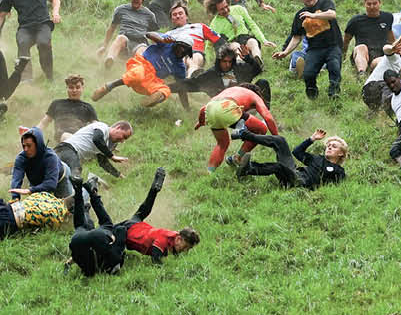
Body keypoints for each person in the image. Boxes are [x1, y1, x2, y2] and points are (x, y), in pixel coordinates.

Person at [66, 168, 199, 276]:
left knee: (143, 210)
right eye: (186, 247)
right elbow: (156, 258)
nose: (185, 251)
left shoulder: (174, 235)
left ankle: (154, 189)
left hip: (139, 226)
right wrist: (167, 272)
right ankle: (89, 201)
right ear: (179, 239)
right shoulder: (163, 240)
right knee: (104, 226)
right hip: (128, 231)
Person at [272, 0, 342, 99]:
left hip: (332, 45)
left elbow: (332, 14)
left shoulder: (325, 2)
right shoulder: (300, 15)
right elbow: (296, 37)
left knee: (334, 68)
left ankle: (334, 94)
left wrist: (313, 15)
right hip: (314, 49)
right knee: (308, 74)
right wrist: (285, 52)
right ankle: (313, 96)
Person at [91, 32, 194, 107]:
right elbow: (148, 34)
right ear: (177, 44)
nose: (182, 50)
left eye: (185, 50)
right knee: (138, 74)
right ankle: (109, 86)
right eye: (181, 47)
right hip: (142, 64)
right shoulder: (167, 42)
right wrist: (161, 40)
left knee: (165, 90)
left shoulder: (180, 67)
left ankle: (150, 102)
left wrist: (187, 109)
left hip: (152, 80)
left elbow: (181, 88)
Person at [192, 85, 280, 173]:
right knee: (261, 129)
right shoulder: (254, 95)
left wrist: (200, 122)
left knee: (222, 144)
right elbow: (268, 118)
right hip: (228, 107)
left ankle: (210, 172)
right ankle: (238, 153)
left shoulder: (231, 90)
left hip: (210, 109)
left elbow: (203, 109)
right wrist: (278, 140)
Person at [225, 128, 346, 190]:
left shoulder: (338, 170)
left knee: (278, 167)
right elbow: (297, 152)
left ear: (341, 153)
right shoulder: (316, 159)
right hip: (294, 173)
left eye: (334, 146)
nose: (329, 147)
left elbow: (339, 188)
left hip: (300, 183)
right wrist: (312, 139)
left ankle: (248, 169)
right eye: (328, 145)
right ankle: (244, 134)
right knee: (280, 141)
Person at [342, 0, 399, 77]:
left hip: (379, 55)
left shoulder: (388, 17)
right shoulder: (355, 20)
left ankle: (374, 71)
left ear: (380, 3)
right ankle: (361, 73)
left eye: (374, 3)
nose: (372, 6)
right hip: (362, 54)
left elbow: (390, 37)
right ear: (364, 4)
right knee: (361, 47)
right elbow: (346, 41)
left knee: (381, 60)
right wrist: (343, 57)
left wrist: (397, 51)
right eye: (369, 4)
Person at [100, 0, 159, 67]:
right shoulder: (121, 10)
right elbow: (111, 28)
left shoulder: (149, 15)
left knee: (142, 49)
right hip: (124, 42)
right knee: (120, 37)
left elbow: (154, 35)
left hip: (140, 43)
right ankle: (110, 59)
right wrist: (104, 46)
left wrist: (157, 52)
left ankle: (136, 69)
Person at [54, 121, 133, 179]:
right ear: (118, 128)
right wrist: (112, 156)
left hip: (67, 152)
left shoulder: (104, 143)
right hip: (66, 149)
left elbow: (103, 162)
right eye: (124, 136)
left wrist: (119, 175)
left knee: (57, 176)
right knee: (75, 176)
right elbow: (97, 139)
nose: (122, 141)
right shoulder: (102, 127)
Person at [205, 0, 269, 60]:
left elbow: (252, 25)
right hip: (231, 44)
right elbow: (209, 46)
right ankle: (239, 63)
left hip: (245, 38)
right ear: (216, 10)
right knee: (235, 46)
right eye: (222, 9)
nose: (226, 10)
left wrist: (263, 40)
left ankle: (257, 60)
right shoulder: (214, 24)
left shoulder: (238, 9)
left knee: (253, 42)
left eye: (226, 6)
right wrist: (209, 62)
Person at [37, 74, 99, 140]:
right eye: (71, 87)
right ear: (67, 88)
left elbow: (97, 126)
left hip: (80, 139)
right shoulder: (57, 104)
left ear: (82, 88)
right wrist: (32, 133)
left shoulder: (87, 107)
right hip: (62, 137)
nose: (74, 90)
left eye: (77, 87)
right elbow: (44, 123)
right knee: (66, 136)